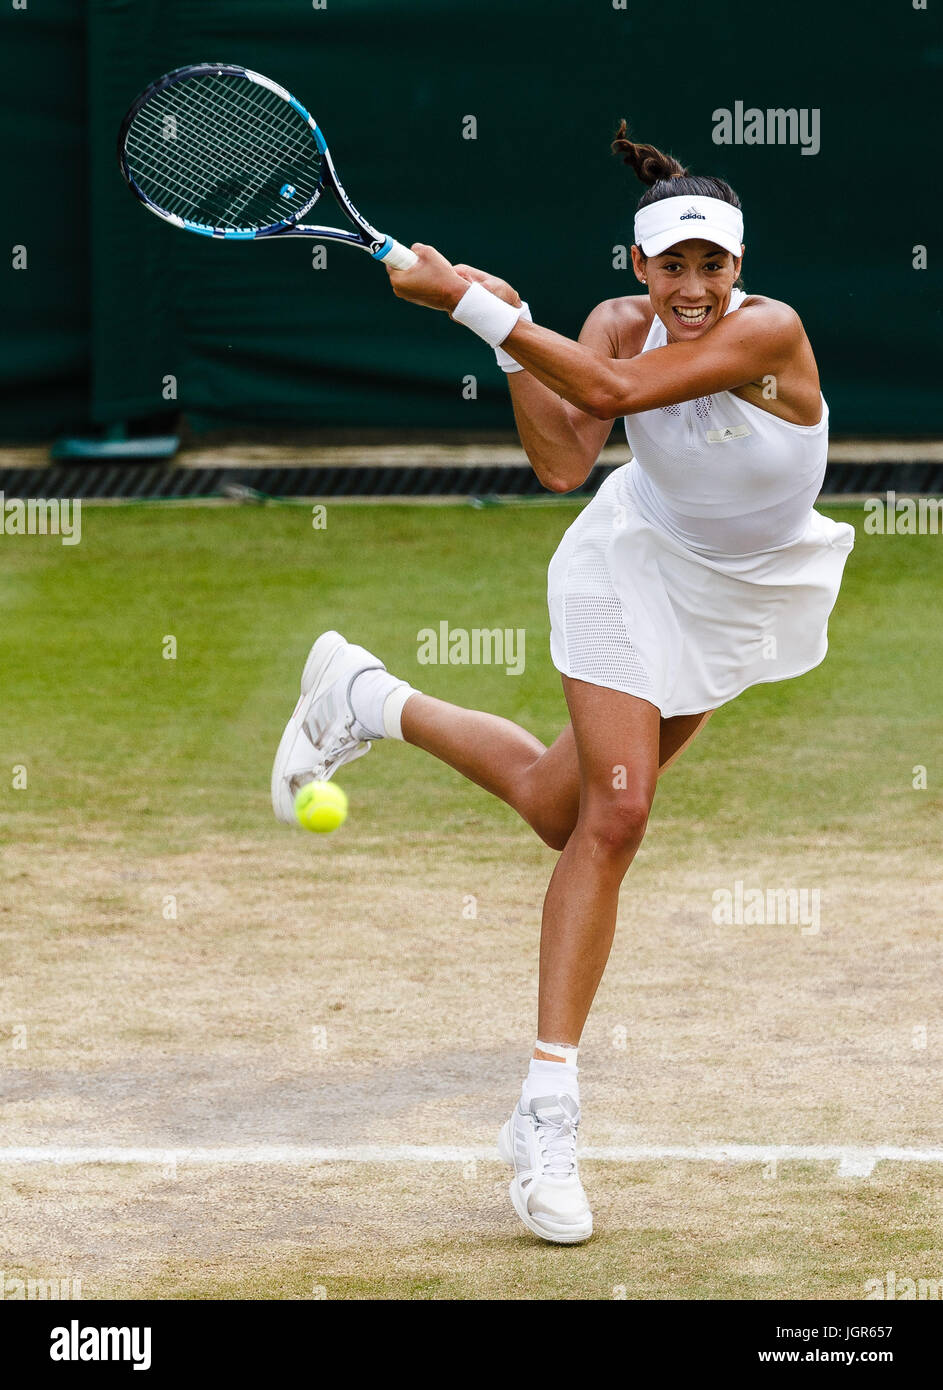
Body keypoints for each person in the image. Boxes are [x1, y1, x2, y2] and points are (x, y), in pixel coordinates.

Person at [271, 125, 855, 1245]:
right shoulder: (606, 325)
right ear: (635, 265)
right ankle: (546, 1111)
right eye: (669, 265)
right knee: (619, 813)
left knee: (557, 806)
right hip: (629, 564)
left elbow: (609, 388)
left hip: (742, 592)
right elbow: (561, 460)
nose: (691, 287)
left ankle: (362, 696)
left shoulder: (769, 330)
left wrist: (476, 309)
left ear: (739, 268)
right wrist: (505, 345)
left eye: (711, 266)